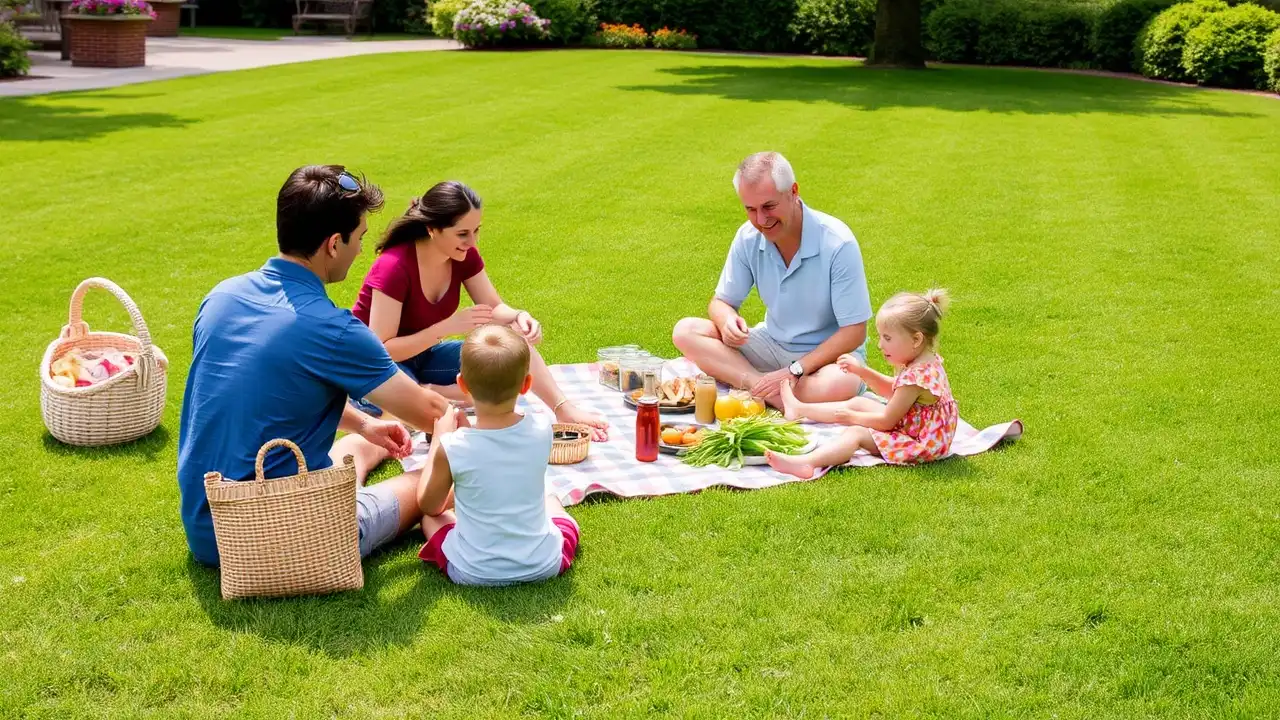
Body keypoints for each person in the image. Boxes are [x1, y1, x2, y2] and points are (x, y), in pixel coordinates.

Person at [177, 165, 460, 568]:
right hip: (282, 538)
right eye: (359, 238)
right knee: (428, 484)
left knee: (364, 444)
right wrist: (490, 435)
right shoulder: (332, 329)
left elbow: (262, 392)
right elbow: (433, 415)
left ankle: (361, 448)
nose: (362, 249)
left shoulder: (222, 297)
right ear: (332, 245)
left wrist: (363, 423)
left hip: (207, 525)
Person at [350, 180, 608, 440]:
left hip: (423, 356)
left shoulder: (463, 255)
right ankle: (426, 396)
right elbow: (381, 349)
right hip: (375, 367)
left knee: (512, 351)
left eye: (476, 231)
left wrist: (519, 316)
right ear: (432, 229)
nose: (472, 242)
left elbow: (494, 308)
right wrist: (447, 327)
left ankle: (564, 410)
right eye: (463, 233)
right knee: (426, 408)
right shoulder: (393, 267)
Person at [672, 151, 873, 409]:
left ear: (793, 191)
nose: (761, 220)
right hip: (771, 345)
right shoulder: (747, 237)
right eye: (750, 209)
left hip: (826, 359)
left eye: (769, 206)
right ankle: (768, 390)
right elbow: (720, 302)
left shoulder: (837, 243)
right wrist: (726, 321)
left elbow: (855, 332)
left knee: (843, 382)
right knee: (686, 331)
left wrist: (797, 369)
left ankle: (759, 386)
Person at [416, 325, 581, 586]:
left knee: (431, 519)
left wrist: (440, 438)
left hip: (472, 571)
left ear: (461, 384)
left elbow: (429, 505)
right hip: (544, 564)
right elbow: (496, 453)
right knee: (553, 503)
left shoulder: (452, 446)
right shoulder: (542, 429)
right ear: (527, 384)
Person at [766, 289, 960, 479]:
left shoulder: (917, 378)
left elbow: (886, 421)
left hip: (920, 444)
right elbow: (894, 391)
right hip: (918, 430)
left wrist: (852, 417)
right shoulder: (926, 362)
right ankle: (799, 410)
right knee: (859, 402)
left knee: (856, 433)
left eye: (887, 338)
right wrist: (861, 371)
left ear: (916, 339)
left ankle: (807, 463)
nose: (880, 345)